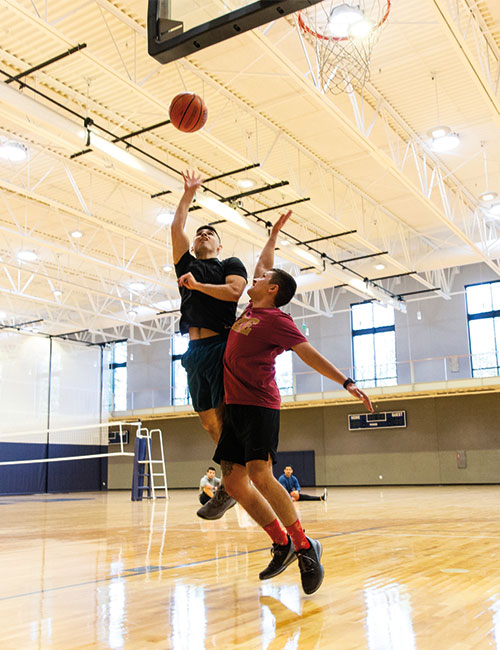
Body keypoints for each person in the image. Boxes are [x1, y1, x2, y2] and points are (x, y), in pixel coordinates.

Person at [213, 210, 373, 594]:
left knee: (259, 475)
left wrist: (346, 381)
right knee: (234, 483)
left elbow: (308, 353)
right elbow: (265, 264)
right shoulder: (253, 308)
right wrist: (273, 235)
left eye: (263, 279)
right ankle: (281, 543)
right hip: (235, 406)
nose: (257, 276)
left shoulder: (278, 321)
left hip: (260, 406)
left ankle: (304, 545)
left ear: (273, 291)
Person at [172, 170, 248, 520]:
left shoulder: (229, 264)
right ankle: (231, 480)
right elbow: (177, 229)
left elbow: (235, 292)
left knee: (223, 417)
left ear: (219, 246)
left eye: (210, 233)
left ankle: (230, 485)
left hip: (221, 347)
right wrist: (188, 194)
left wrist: (197, 286)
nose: (203, 233)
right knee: (208, 423)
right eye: (200, 231)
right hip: (193, 352)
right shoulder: (186, 264)